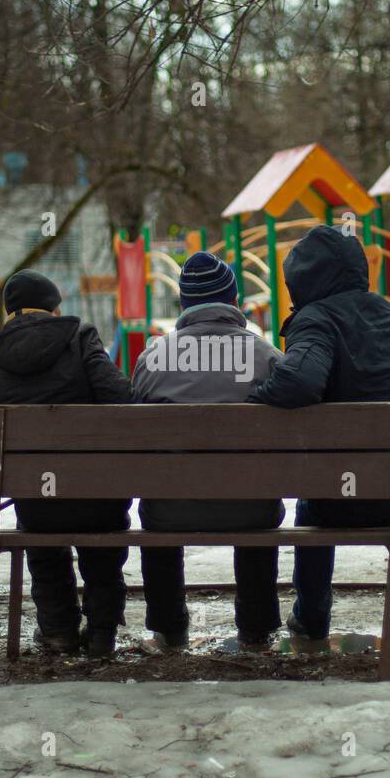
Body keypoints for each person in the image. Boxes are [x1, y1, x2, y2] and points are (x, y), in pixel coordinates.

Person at [246, 224, 390, 641]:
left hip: (345, 496)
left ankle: (311, 617)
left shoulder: (316, 319)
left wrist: (259, 394)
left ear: (305, 280)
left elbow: (300, 382)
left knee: (314, 505)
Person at [0, 269, 133, 657]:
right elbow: (122, 402)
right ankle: (101, 632)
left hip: (38, 502)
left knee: (38, 521)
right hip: (97, 498)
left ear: (11, 313)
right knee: (102, 525)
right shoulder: (80, 338)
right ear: (53, 308)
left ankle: (58, 632)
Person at [132, 251, 284, 650]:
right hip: (251, 507)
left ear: (183, 304)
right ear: (234, 301)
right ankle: (256, 626)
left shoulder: (153, 357)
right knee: (254, 492)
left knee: (159, 502)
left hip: (170, 508)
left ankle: (169, 626)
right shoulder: (265, 355)